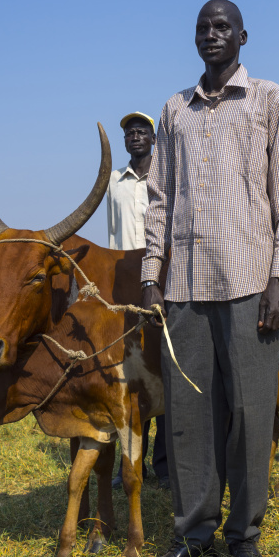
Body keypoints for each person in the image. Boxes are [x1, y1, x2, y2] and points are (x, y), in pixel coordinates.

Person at [138, 0, 279, 557]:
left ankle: (244, 538)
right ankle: (193, 536)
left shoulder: (270, 100)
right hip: (184, 287)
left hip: (250, 286)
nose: (211, 35)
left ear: (242, 36)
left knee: (248, 410)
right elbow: (160, 200)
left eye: (222, 27)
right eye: (202, 28)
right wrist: (151, 275)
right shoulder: (174, 110)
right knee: (189, 416)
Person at [106, 111, 170, 489]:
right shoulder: (115, 181)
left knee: (162, 368)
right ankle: (130, 466)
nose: (135, 136)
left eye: (142, 131)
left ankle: (164, 466)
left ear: (153, 139)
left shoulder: (166, 176)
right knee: (128, 374)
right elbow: (112, 232)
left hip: (160, 279)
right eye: (130, 132)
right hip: (125, 281)